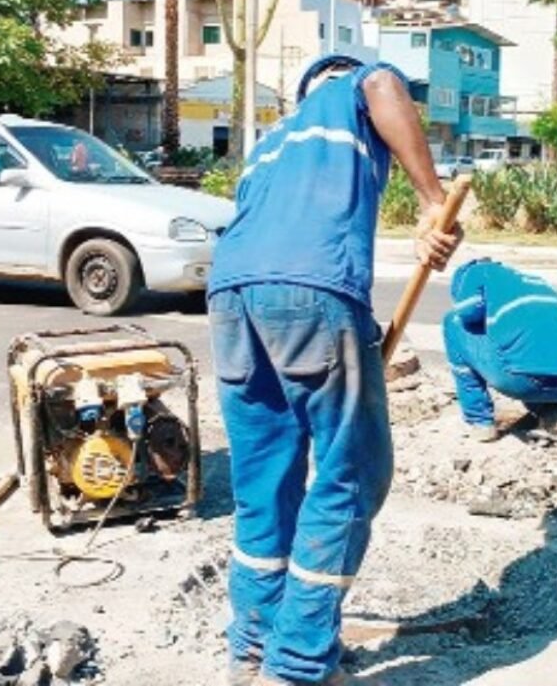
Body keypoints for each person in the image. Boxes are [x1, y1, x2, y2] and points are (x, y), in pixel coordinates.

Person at [207, 54, 462, 686]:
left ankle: (252, 650)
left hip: (232, 295)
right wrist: (433, 203)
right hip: (310, 288)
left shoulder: (272, 143)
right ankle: (296, 664)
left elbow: (278, 235)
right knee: (352, 471)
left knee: (263, 476)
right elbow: (382, 83)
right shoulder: (355, 87)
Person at [442, 258, 557, 440]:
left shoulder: (477, 272)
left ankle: (479, 421)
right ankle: (553, 412)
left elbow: (468, 314)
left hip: (520, 380)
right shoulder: (535, 281)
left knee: (453, 323)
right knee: (525, 346)